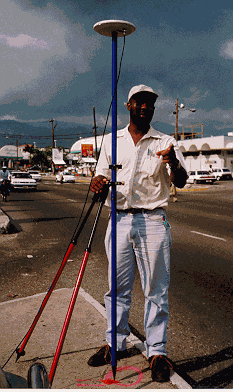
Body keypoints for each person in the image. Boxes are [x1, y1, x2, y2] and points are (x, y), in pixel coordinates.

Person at [88, 85, 188, 382]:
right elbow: (100, 176)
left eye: (150, 103)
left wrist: (172, 162)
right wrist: (97, 183)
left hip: (153, 221)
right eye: (139, 102)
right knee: (116, 290)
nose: (145, 106)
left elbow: (180, 181)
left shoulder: (166, 141)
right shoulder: (112, 141)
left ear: (153, 109)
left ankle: (156, 351)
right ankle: (115, 345)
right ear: (129, 105)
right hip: (119, 220)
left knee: (156, 290)